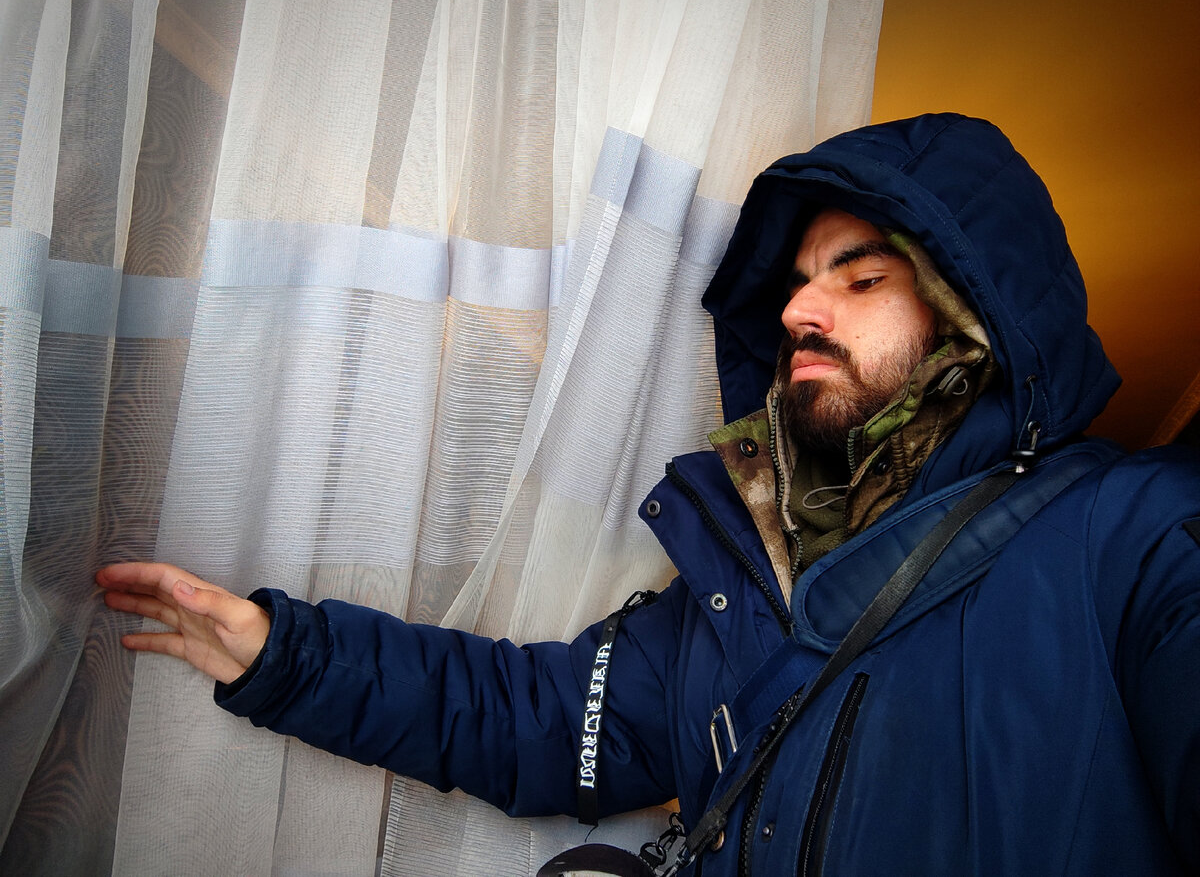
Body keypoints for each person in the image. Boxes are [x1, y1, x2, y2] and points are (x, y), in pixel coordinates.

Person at [97, 113, 1200, 875]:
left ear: (974, 323)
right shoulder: (736, 594)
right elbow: (528, 718)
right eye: (796, 288)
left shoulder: (1139, 538)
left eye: (862, 277)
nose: (800, 313)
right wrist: (284, 655)